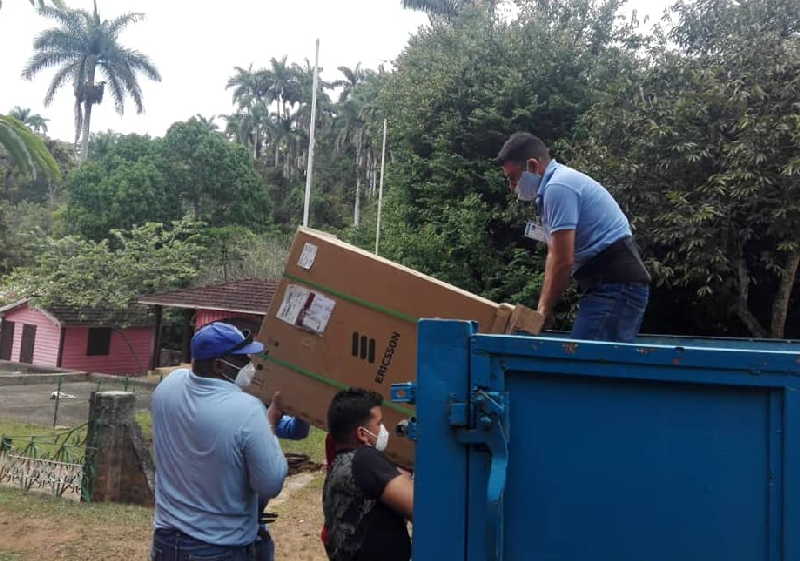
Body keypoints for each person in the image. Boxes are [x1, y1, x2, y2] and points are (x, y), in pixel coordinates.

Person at [150, 322, 288, 561]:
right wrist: (270, 422)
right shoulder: (246, 410)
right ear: (218, 364)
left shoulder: (168, 387)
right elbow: (270, 483)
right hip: (219, 547)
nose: (249, 365)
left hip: (166, 541)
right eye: (242, 359)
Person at [497, 132, 651, 343]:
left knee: (588, 367)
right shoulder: (551, 190)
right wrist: (543, 308)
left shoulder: (558, 188)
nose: (512, 187)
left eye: (513, 179)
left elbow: (563, 260)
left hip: (616, 285)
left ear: (533, 166)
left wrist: (544, 309)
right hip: (609, 284)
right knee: (588, 365)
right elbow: (554, 254)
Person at [234, 356, 310, 561]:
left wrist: (299, 409)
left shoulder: (260, 409)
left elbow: (297, 431)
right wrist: (271, 419)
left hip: (256, 522)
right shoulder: (235, 419)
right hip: (237, 522)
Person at [323, 388, 413, 561]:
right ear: (362, 434)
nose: (384, 429)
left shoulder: (339, 463)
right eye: (379, 423)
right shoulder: (365, 459)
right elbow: (422, 508)